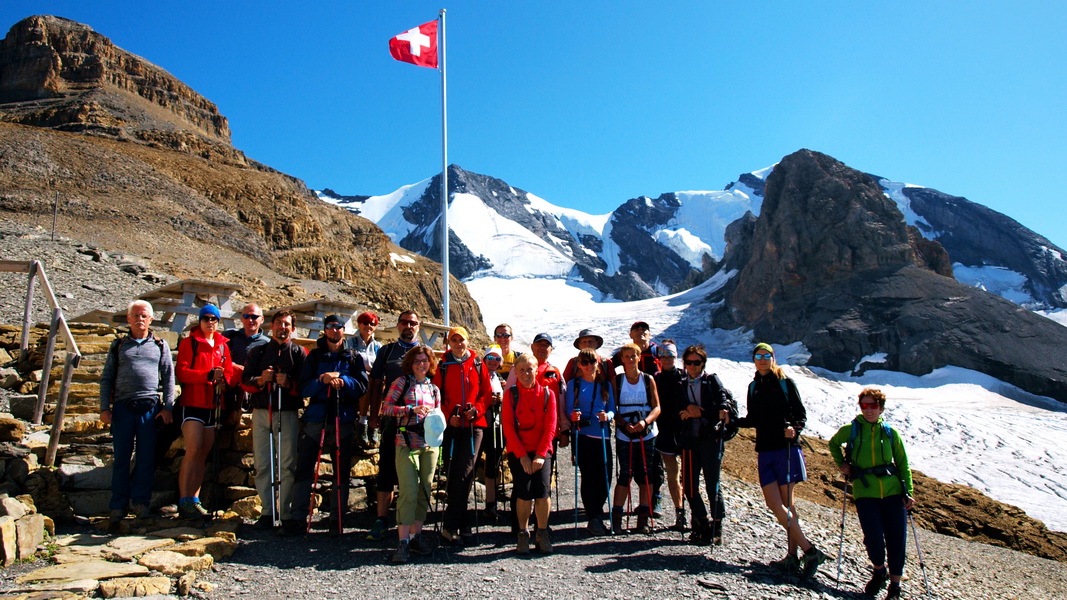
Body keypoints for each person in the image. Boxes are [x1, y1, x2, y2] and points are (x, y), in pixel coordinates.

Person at [735, 342, 827, 577]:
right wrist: (731, 421)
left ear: (773, 358)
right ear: (754, 360)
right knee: (777, 504)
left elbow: (800, 414)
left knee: (785, 504)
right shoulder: (753, 386)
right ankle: (809, 551)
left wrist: (795, 429)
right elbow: (753, 418)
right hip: (765, 449)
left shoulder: (786, 384)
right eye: (759, 355)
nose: (763, 359)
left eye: (767, 355)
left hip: (786, 449)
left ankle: (793, 557)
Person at [829, 389, 915, 600]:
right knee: (873, 538)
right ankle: (879, 570)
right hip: (865, 491)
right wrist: (842, 464)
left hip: (893, 491)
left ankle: (894, 587)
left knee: (897, 539)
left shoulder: (890, 433)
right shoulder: (852, 429)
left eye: (873, 406)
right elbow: (833, 443)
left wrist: (908, 491)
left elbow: (903, 463)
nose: (868, 410)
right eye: (865, 406)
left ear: (881, 408)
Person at [100, 300, 175, 524]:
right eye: (136, 315)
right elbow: (106, 378)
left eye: (144, 316)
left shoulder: (160, 346)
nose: (140, 319)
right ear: (129, 319)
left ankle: (141, 503)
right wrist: (104, 407)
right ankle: (118, 506)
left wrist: (168, 407)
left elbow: (169, 377)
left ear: (151, 319)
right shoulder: (119, 346)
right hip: (123, 408)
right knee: (122, 457)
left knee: (145, 458)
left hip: (150, 408)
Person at [293, 314, 369, 534]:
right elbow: (303, 388)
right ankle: (298, 517)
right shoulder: (315, 357)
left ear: (344, 330)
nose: (335, 331)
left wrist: (343, 380)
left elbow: (362, 386)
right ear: (325, 330)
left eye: (339, 327)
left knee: (341, 469)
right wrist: (322, 380)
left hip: (342, 416)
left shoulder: (353, 357)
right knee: (305, 466)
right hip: (316, 416)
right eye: (331, 327)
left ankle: (337, 518)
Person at [241, 310, 306, 534]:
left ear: (293, 328)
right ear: (271, 326)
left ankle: (285, 513)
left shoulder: (298, 353)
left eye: (287, 324)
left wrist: (289, 384)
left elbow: (305, 386)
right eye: (279, 323)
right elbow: (246, 381)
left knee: (287, 464)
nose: (282, 327)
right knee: (263, 463)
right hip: (262, 411)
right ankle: (268, 512)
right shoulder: (258, 352)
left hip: (287, 412)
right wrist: (260, 380)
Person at [174, 304, 237, 520]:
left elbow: (228, 372)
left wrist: (224, 381)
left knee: (203, 453)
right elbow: (181, 372)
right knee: (193, 449)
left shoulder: (222, 346)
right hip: (193, 403)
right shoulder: (189, 343)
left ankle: (195, 500)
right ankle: (184, 500)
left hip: (214, 404)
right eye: (206, 318)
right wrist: (207, 376)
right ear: (200, 321)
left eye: (214, 319)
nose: (210, 322)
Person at [380, 345, 442, 563]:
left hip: (430, 445)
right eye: (417, 361)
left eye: (425, 360)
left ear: (431, 363)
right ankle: (403, 541)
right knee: (408, 490)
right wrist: (409, 410)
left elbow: (438, 415)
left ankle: (416, 537)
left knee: (424, 491)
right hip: (406, 443)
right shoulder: (401, 383)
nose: (421, 364)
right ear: (410, 363)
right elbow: (386, 408)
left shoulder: (434, 389)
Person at [365, 310, 421, 542]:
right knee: (387, 467)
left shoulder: (424, 353)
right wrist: (373, 414)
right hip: (391, 419)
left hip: (418, 421)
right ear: (398, 325)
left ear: (419, 327)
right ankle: (381, 519)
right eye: (405, 322)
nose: (409, 326)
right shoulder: (387, 351)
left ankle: (409, 520)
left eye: (413, 323)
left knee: (415, 469)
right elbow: (376, 383)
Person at [433, 326, 492, 545]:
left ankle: (450, 525)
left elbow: (486, 394)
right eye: (454, 340)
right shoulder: (443, 365)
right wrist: (448, 417)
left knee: (465, 471)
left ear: (468, 341)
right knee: (452, 471)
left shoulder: (478, 364)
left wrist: (476, 409)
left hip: (474, 426)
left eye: (462, 339)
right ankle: (464, 520)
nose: (458, 343)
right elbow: (436, 394)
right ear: (449, 343)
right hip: (452, 426)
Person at [678, 345, 738, 546]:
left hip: (710, 439)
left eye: (697, 362)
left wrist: (699, 412)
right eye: (689, 362)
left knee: (713, 483)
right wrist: (687, 408)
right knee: (688, 484)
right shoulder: (681, 382)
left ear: (703, 363)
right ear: (684, 363)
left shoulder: (712, 380)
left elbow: (722, 409)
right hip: (689, 440)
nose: (692, 366)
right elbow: (676, 406)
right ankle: (702, 522)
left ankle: (716, 527)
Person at [502, 353, 558, 554]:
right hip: (520, 452)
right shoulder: (510, 395)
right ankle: (523, 534)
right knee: (524, 493)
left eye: (530, 369)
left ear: (537, 370)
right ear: (515, 372)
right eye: (522, 370)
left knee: (543, 493)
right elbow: (508, 427)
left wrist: (541, 454)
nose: (526, 373)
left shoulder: (547, 395)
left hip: (541, 451)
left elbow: (551, 426)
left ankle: (542, 533)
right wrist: (522, 455)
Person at [611, 343, 661, 535]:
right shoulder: (618, 381)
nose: (630, 359)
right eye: (627, 356)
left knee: (646, 474)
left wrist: (645, 422)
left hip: (646, 432)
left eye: (634, 356)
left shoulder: (648, 380)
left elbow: (657, 407)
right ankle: (617, 517)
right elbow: (613, 408)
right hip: (625, 433)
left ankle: (643, 519)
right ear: (622, 359)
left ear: (639, 357)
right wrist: (623, 424)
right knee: (625, 473)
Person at [566, 348, 616, 535]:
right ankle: (593, 516)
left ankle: (596, 510)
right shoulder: (574, 384)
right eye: (584, 362)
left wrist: (608, 416)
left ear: (598, 364)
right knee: (588, 476)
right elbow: (569, 407)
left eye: (592, 362)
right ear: (579, 364)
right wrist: (574, 415)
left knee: (605, 476)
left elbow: (612, 409)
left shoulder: (605, 385)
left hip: (602, 434)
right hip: (583, 435)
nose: (589, 366)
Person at [653, 340, 686, 530]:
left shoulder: (685, 376)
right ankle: (679, 512)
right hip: (665, 432)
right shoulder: (655, 378)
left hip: (684, 433)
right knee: (673, 476)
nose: (667, 359)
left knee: (687, 477)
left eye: (670, 356)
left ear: (675, 357)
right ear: (659, 358)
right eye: (663, 356)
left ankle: (692, 513)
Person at [221, 303, 268, 425]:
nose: (250, 320)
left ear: (262, 319)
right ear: (241, 318)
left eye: (254, 317)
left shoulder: (268, 344)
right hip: (226, 391)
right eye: (246, 316)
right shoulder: (229, 337)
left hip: (252, 393)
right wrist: (233, 366)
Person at [347, 311, 382, 448]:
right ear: (359, 324)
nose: (368, 326)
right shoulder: (350, 342)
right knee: (367, 380)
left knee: (377, 382)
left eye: (372, 324)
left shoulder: (378, 346)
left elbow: (380, 365)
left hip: (373, 378)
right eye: (365, 323)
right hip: (356, 378)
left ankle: (373, 422)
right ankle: (363, 421)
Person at [479, 345, 506, 521]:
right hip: (480, 425)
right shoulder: (477, 375)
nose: (493, 362)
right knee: (471, 465)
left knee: (493, 466)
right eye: (490, 358)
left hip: (496, 426)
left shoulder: (499, 378)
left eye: (497, 359)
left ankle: (491, 503)